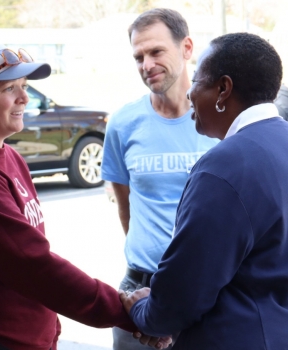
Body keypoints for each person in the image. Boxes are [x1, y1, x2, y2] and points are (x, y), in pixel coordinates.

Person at [119, 32, 288, 349]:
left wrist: (143, 311)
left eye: (198, 80)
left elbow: (183, 292)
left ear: (223, 89)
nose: (189, 93)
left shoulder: (224, 166)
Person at [0, 42, 170, 350]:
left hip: (33, 337)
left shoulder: (8, 156)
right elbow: (33, 265)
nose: (24, 98)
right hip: (2, 340)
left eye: (24, 86)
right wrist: (123, 309)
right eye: (8, 89)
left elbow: (33, 257)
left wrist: (51, 325)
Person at [101, 8, 217, 349]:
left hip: (209, 288)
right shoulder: (123, 123)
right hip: (138, 287)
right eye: (138, 56)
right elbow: (126, 206)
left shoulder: (219, 121)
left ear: (186, 48)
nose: (146, 65)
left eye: (156, 52)